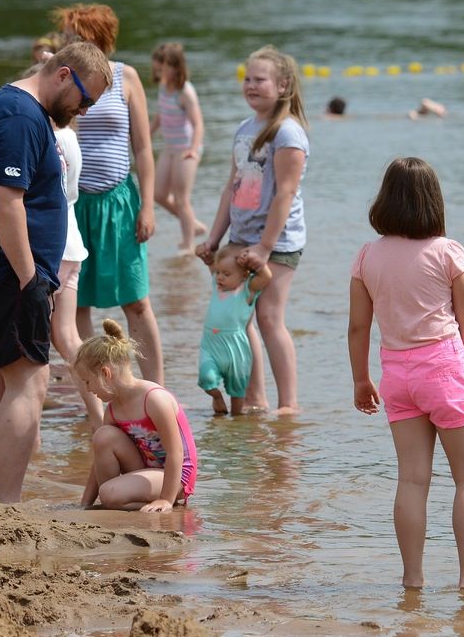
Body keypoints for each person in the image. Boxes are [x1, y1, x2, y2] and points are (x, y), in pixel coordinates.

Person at [0, 42, 112, 503]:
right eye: (85, 98)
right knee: (29, 380)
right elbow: (5, 202)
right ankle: (7, 504)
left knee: (0, 383)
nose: (84, 110)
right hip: (4, 273)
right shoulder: (18, 116)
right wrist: (30, 278)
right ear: (63, 74)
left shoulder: (23, 111)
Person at [347, 157, 464, 592]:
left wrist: (361, 380)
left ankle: (413, 579)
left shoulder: (367, 256)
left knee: (411, 479)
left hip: (396, 376)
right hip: (445, 368)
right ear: (432, 202)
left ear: (385, 199)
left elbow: (358, 327)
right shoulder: (448, 252)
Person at [54, 3, 164, 384]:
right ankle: (95, 389)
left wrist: (147, 205)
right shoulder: (61, 80)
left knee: (136, 300)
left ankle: (155, 390)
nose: (66, 43)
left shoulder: (126, 77)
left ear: (97, 40)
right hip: (74, 202)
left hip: (119, 201)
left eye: (74, 37)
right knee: (76, 302)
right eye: (65, 38)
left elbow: (144, 149)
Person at [196, 46, 309, 414]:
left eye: (259, 79)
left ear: (283, 84)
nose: (251, 85)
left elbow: (285, 194)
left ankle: (288, 404)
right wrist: (214, 238)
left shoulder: (288, 133)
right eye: (247, 78)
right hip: (242, 237)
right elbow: (232, 187)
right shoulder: (245, 129)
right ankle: (255, 398)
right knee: (238, 317)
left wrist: (264, 246)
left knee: (269, 317)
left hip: (276, 241)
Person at [76, 319, 199, 512]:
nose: (88, 389)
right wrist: (85, 504)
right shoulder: (112, 410)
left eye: (87, 382)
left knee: (109, 493)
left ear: (105, 373)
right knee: (102, 436)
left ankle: (153, 503)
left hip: (176, 477)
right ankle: (113, 499)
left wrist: (166, 499)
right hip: (145, 470)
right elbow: (98, 461)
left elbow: (176, 452)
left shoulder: (154, 399)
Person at [51, 103, 104, 427]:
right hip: (72, 243)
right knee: (68, 337)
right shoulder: (70, 135)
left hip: (51, 245)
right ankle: (101, 416)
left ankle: (32, 437)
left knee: (40, 342)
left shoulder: (46, 137)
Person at [198, 244, 272, 416]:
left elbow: (266, 277)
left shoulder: (247, 290)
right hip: (211, 345)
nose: (220, 277)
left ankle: (236, 425)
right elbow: (212, 264)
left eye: (227, 274)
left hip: (235, 348)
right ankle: (216, 396)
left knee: (237, 392)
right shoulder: (217, 287)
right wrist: (206, 254)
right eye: (218, 272)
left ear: (244, 275)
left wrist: (259, 264)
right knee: (206, 378)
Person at [150, 42, 206, 254]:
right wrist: (145, 134)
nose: (159, 72)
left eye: (163, 68)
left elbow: (199, 124)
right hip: (169, 147)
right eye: (157, 69)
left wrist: (193, 149)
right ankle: (194, 224)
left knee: (182, 199)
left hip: (186, 148)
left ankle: (189, 244)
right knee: (158, 194)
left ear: (176, 67)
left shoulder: (185, 91)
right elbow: (160, 115)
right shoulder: (164, 86)